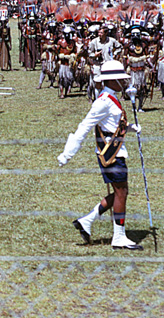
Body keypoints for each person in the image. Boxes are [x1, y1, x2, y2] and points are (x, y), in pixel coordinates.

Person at [57, 60, 143, 250]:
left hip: (117, 151)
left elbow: (111, 126)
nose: (123, 82)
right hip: (111, 154)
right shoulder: (103, 102)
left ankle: (87, 220)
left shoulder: (112, 98)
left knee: (122, 192)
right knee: (121, 192)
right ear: (111, 81)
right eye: (120, 79)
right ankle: (119, 237)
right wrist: (67, 154)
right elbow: (84, 127)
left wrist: (128, 128)